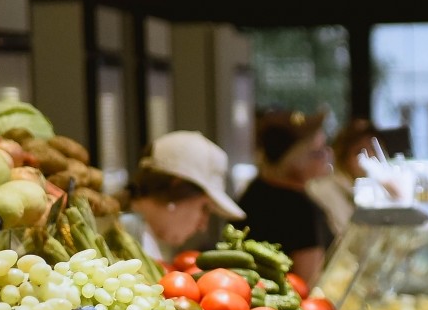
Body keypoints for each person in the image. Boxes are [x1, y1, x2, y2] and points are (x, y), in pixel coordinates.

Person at [236, 110, 335, 289]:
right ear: (293, 159)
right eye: (318, 152)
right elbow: (308, 282)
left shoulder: (254, 191)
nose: (327, 155)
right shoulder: (298, 208)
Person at [118, 131, 244, 263]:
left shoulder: (144, 235)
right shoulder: (125, 235)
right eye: (204, 208)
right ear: (176, 189)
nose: (203, 226)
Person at [309, 118, 378, 237]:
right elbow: (347, 238)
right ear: (343, 157)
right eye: (359, 152)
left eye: (374, 149)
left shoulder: (371, 190)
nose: (370, 157)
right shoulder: (326, 190)